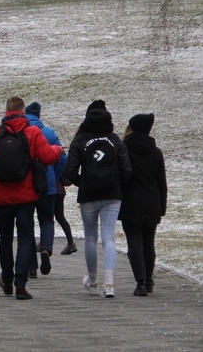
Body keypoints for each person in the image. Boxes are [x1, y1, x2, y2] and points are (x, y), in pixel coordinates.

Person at [0, 97, 62, 300]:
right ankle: (21, 284)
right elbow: (48, 157)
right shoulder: (32, 132)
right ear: (23, 111)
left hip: (1, 194)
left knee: (5, 239)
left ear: (6, 111)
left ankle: (7, 279)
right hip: (25, 195)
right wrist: (57, 149)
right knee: (25, 237)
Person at [63, 100, 132, 298]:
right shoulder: (115, 139)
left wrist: (82, 182)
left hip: (89, 194)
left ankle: (93, 280)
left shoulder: (80, 139)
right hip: (112, 193)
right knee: (109, 238)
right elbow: (126, 169)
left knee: (91, 238)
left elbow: (70, 171)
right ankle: (109, 283)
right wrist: (117, 183)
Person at [119, 113, 167, 296]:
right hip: (152, 202)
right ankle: (148, 279)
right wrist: (162, 207)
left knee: (134, 244)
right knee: (149, 243)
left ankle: (140, 282)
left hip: (130, 202)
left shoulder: (124, 149)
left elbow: (121, 176)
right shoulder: (156, 152)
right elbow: (161, 183)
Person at [24, 102, 67, 278]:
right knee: (47, 220)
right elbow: (62, 158)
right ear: (39, 115)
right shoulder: (48, 133)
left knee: (27, 225)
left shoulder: (22, 132)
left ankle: (31, 266)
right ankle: (46, 249)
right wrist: (53, 177)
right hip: (46, 185)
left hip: (26, 186)